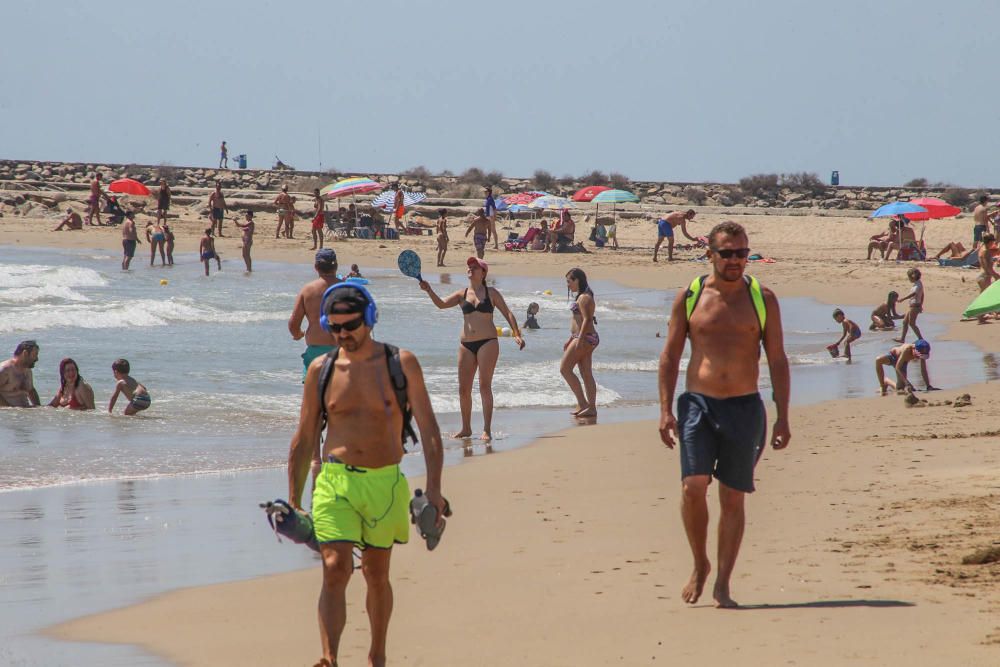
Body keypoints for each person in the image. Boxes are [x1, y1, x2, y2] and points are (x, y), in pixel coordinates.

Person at [287, 283, 446, 667]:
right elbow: (306, 436)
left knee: (376, 573)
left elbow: (429, 431)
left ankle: (377, 654)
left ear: (370, 320)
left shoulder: (401, 363)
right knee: (334, 567)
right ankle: (329, 657)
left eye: (351, 325)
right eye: (336, 327)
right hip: (335, 482)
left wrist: (436, 490)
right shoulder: (320, 371)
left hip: (385, 483)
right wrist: (293, 501)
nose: (343, 335)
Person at [657, 220, 791, 608]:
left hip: (745, 407)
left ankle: (723, 583)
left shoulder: (763, 298)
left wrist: (782, 415)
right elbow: (669, 356)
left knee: (733, 498)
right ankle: (700, 563)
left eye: (742, 253)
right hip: (698, 404)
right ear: (710, 254)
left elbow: (778, 359)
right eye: (728, 253)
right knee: (693, 486)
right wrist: (665, 410)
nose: (736, 260)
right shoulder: (691, 296)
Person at [418, 257, 524, 441]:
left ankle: (486, 430)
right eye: (469, 267)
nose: (470, 269)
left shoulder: (492, 293)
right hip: (465, 345)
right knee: (463, 389)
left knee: (484, 386)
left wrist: (516, 333)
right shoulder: (462, 293)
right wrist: (429, 290)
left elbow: (507, 312)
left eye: (475, 267)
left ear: (483, 273)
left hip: (488, 342)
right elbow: (441, 305)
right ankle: (466, 428)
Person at [289, 248, 341, 381]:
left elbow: (293, 324)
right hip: (343, 351)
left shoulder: (308, 290)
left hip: (316, 352)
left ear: (316, 267)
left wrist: (298, 334)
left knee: (314, 399)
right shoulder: (348, 288)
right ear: (336, 266)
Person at [561, 268, 599, 417]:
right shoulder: (582, 296)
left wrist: (580, 339)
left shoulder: (584, 298)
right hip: (584, 336)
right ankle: (590, 407)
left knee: (565, 369)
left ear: (578, 280)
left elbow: (587, 320)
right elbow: (578, 321)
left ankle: (583, 403)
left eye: (569, 281)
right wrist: (571, 338)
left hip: (585, 337)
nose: (568, 285)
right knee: (585, 373)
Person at [0, 341, 42, 407]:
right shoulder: (5, 369)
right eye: (35, 355)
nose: (37, 359)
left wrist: (39, 408)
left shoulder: (28, 370)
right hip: (8, 414)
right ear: (25, 353)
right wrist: (9, 408)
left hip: (22, 414)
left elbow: (31, 390)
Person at [894, 267, 924, 343]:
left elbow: (914, 293)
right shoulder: (916, 284)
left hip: (915, 306)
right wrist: (921, 304)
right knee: (905, 322)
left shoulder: (918, 285)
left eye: (909, 277)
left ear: (913, 276)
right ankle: (902, 339)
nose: (909, 279)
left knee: (912, 323)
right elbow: (922, 294)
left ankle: (920, 338)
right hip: (912, 306)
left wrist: (903, 299)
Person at [976, 233, 999, 323]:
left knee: (983, 296)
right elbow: (986, 267)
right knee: (984, 297)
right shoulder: (985, 250)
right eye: (993, 241)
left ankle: (981, 316)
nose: (994, 243)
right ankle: (980, 317)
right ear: (990, 241)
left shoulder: (983, 248)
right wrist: (995, 275)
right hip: (984, 276)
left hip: (983, 275)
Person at [484, 186, 499, 250]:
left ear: (488, 192)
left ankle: (496, 245)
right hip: (487, 217)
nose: (484, 193)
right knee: (485, 230)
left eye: (486, 191)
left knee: (493, 231)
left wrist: (494, 217)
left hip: (491, 217)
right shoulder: (487, 199)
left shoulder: (490, 199)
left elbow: (494, 208)